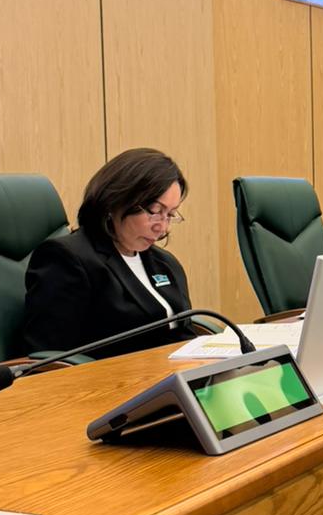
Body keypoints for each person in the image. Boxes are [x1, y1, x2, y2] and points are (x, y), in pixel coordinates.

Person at [23, 147, 197, 358]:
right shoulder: (67, 258)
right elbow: (51, 356)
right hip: (114, 377)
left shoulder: (165, 263)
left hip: (175, 373)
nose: (162, 227)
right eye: (155, 211)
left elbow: (184, 333)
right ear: (118, 200)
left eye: (170, 214)